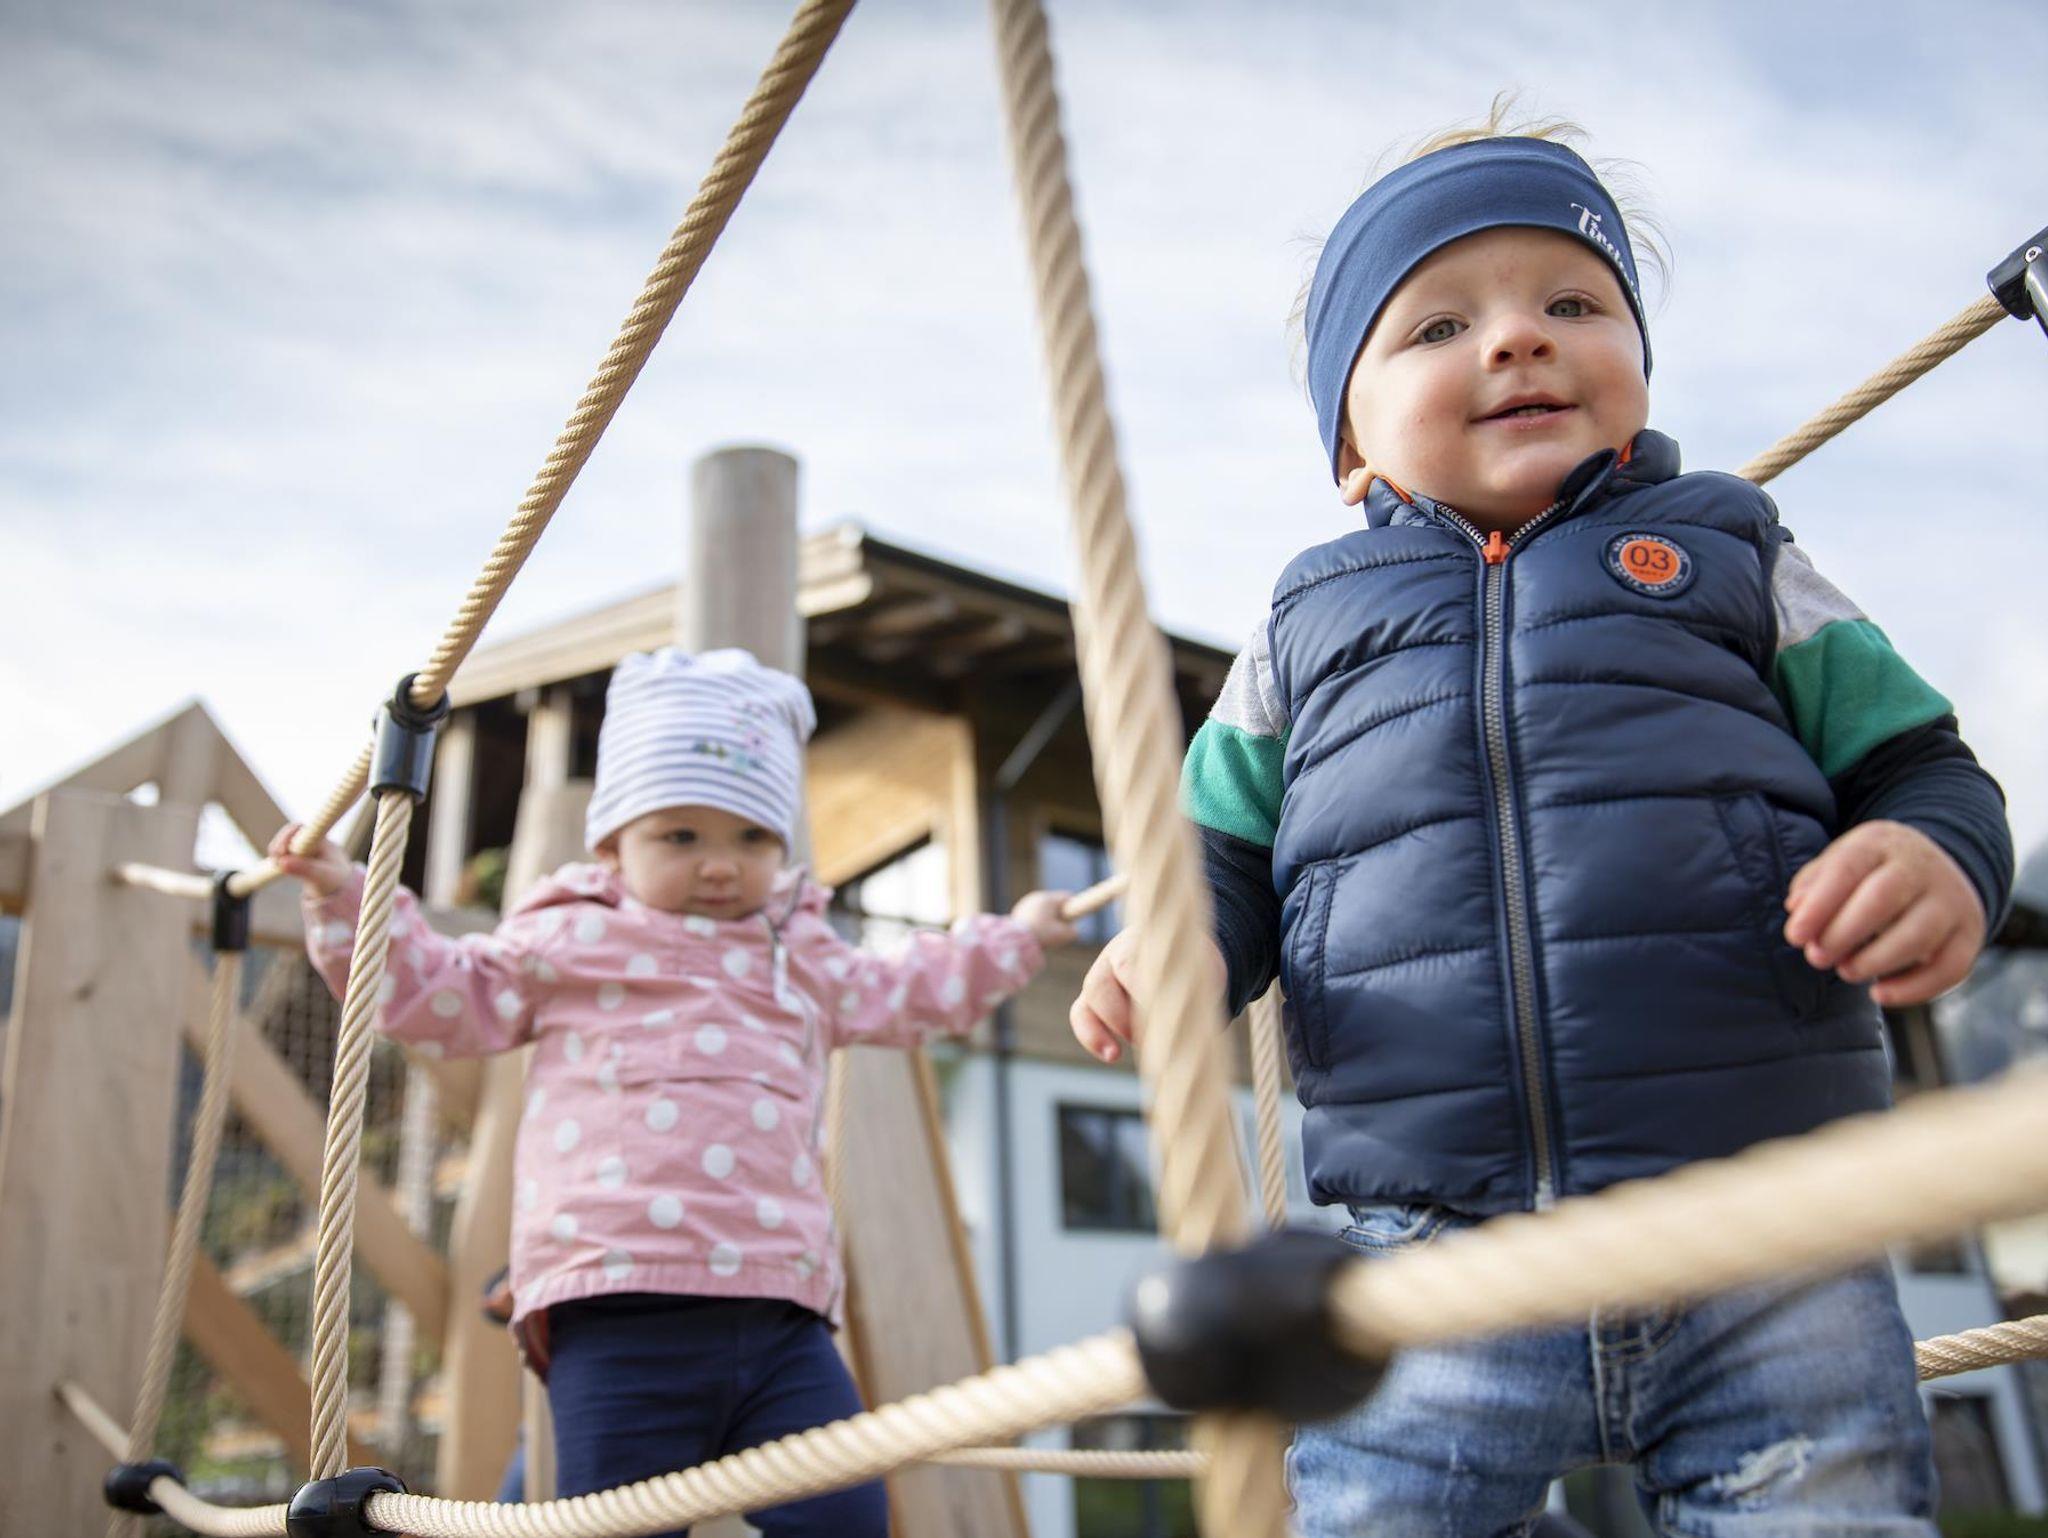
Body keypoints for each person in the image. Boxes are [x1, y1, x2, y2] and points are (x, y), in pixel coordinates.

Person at [1070, 108, 2012, 1536]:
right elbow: (1216, 854)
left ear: (1636, 360)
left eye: (1572, 304)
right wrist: (1180, 946)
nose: (1518, 338)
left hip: (1768, 1218)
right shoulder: (1304, 622)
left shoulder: (1732, 546)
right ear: (1350, 444)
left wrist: (1935, 853)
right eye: (1440, 325)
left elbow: (1922, 764)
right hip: (1437, 1249)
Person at [275, 646, 1077, 1535]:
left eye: (753, 838)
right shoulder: (574, 939)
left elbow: (906, 987)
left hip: (780, 1314)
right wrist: (348, 897)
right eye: (681, 836)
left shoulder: (798, 952)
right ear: (613, 846)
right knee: (617, 1522)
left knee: (847, 1517)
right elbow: (440, 993)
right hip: (617, 1308)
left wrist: (1014, 939)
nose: (721, 865)